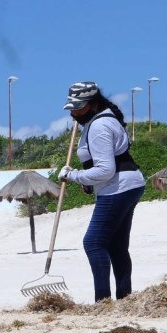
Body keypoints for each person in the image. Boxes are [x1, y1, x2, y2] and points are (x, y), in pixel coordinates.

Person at [58, 81, 146, 302]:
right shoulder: (103, 119)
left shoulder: (99, 126)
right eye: (72, 108)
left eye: (78, 107)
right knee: (116, 246)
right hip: (128, 184)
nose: (74, 113)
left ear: (93, 103)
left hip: (118, 187)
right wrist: (88, 183)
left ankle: (103, 301)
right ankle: (125, 299)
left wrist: (72, 175)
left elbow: (106, 170)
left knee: (94, 243)